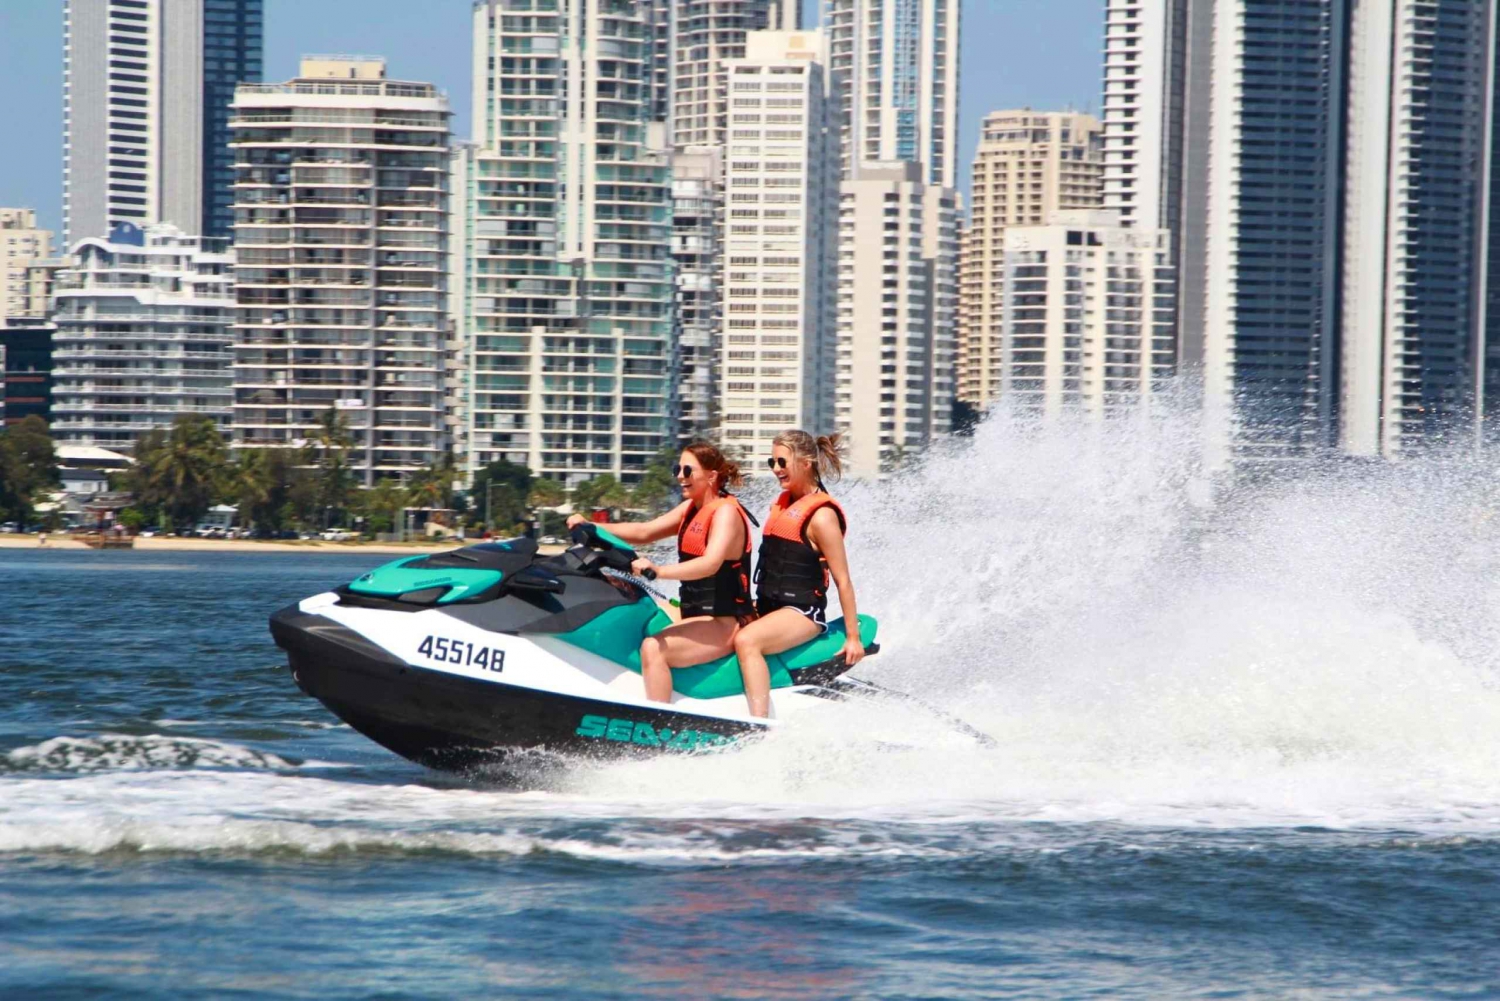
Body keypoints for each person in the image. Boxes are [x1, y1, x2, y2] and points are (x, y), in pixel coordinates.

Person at [565, 442, 753, 703]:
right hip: (694, 612)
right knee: (636, 611)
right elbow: (646, 531)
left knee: (654, 648)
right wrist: (591, 526)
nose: (679, 476)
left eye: (687, 470)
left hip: (723, 622)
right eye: (678, 468)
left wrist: (659, 570)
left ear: (711, 476)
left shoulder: (726, 513)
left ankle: (658, 724)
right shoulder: (692, 509)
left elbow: (710, 563)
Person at [733, 430, 863, 718]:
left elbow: (843, 580)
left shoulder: (821, 516)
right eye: (772, 462)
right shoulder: (779, 505)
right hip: (769, 607)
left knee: (747, 641)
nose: (776, 469)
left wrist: (852, 637)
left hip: (803, 613)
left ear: (806, 463)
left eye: (782, 462)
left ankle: (759, 723)